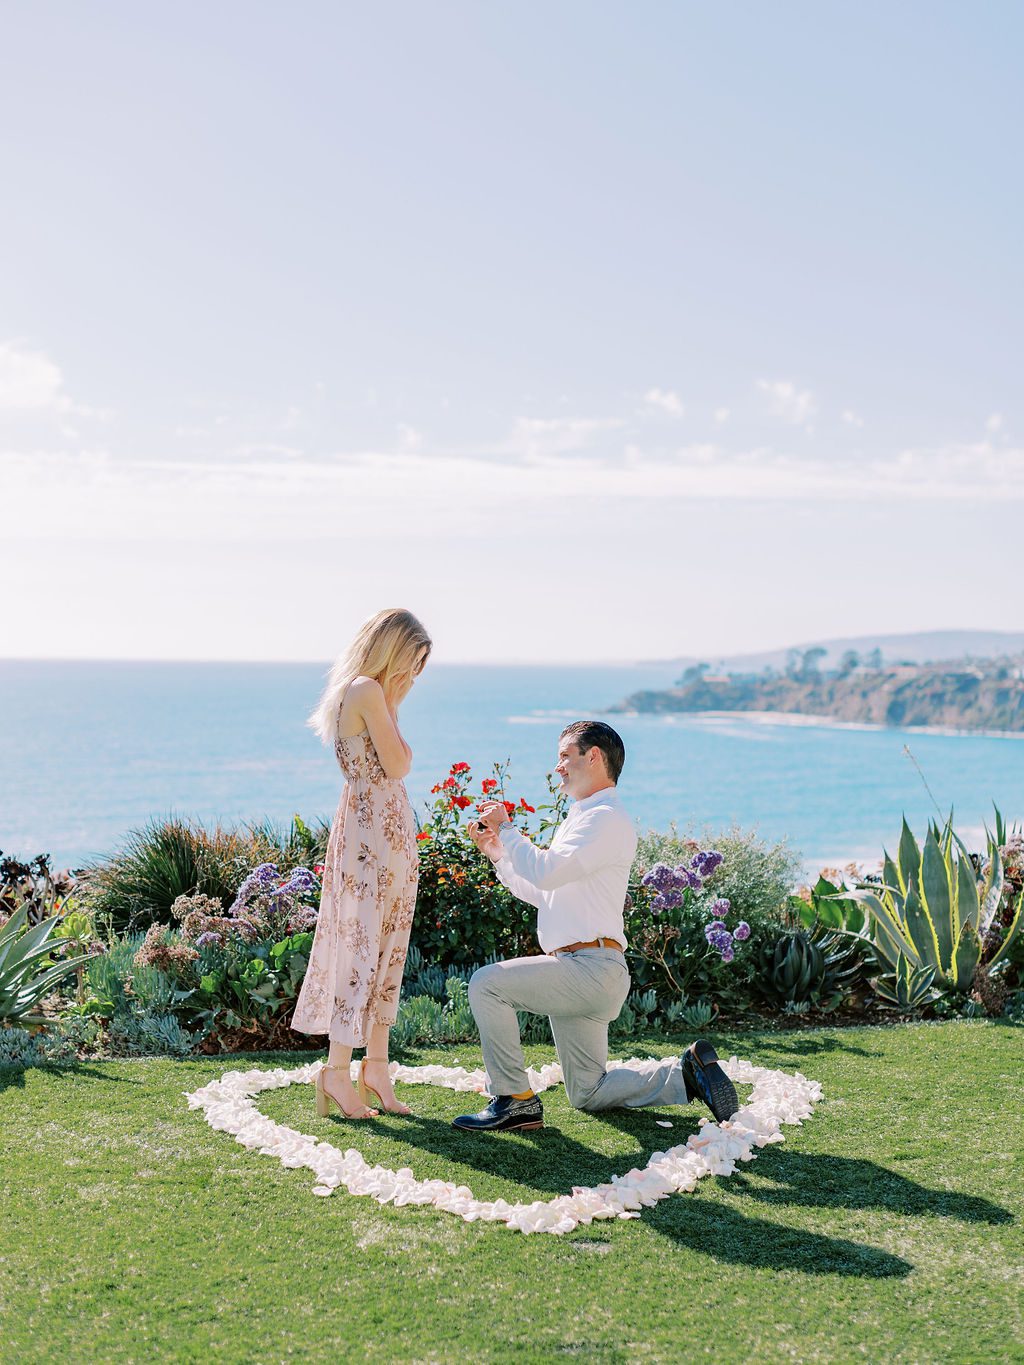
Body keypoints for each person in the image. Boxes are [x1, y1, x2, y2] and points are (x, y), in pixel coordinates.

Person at [453, 720, 739, 1132]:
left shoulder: (605, 818)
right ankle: (685, 1075)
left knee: (486, 984)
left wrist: (510, 827)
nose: (558, 768)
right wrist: (498, 851)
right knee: (587, 1091)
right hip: (586, 971)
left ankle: (513, 1099)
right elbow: (543, 891)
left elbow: (546, 872)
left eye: (565, 757)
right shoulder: (585, 817)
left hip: (587, 969)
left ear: (594, 756)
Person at [292, 607, 431, 1118]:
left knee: (389, 947)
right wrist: (394, 699)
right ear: (395, 650)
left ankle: (376, 1064)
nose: (414, 675)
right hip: (371, 832)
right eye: (413, 661)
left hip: (385, 829)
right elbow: (397, 763)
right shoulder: (369, 691)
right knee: (361, 948)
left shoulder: (371, 693)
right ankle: (335, 1071)